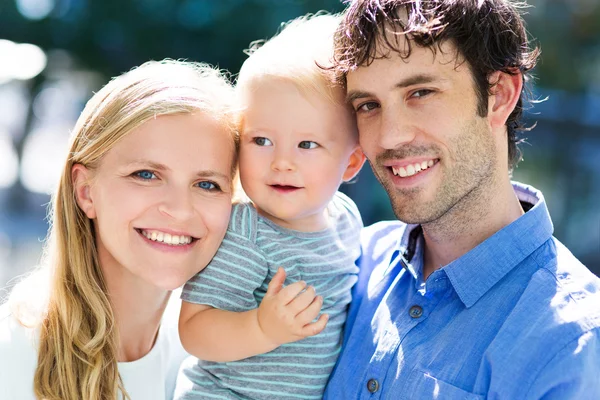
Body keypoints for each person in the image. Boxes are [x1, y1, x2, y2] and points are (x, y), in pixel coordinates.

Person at [323, 0, 600, 399]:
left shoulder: (570, 342)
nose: (388, 137)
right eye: (369, 105)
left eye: (420, 92)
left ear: (500, 95)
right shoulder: (350, 262)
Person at [0, 60, 239, 400]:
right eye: (146, 174)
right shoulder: (12, 357)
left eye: (207, 183)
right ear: (85, 191)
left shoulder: (213, 357)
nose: (180, 208)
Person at [175, 14, 366, 400]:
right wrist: (261, 328)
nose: (282, 162)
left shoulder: (345, 219)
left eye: (307, 145)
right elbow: (194, 330)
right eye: (261, 140)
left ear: (350, 163)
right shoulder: (246, 232)